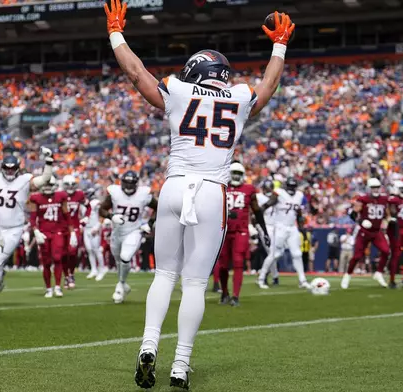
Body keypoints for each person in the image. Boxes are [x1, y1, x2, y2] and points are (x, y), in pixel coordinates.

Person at [105, 0, 295, 387]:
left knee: (163, 274)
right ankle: (180, 365)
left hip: (175, 185)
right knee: (194, 282)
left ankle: (148, 344)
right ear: (223, 75)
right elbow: (269, 86)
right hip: (212, 190)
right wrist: (279, 46)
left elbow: (135, 72)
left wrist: (116, 33)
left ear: (193, 72)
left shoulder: (177, 91)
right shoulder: (240, 98)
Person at [0, 150, 54, 308]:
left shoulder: (25, 180)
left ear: (17, 169)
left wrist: (48, 162)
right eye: (7, 169)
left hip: (13, 229)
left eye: (12, 168)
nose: (9, 172)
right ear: (2, 168)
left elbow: (45, 179)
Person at [99, 170, 157, 304]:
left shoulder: (143, 194)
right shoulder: (115, 193)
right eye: (127, 183)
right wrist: (111, 216)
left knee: (125, 258)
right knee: (119, 261)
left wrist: (149, 223)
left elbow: (157, 207)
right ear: (122, 182)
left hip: (134, 231)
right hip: (117, 232)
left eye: (132, 184)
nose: (129, 186)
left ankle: (120, 285)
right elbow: (102, 209)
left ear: (136, 184)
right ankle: (123, 285)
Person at [217, 162, 269, 306]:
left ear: (243, 176)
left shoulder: (249, 189)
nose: (235, 176)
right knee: (222, 265)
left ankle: (235, 296)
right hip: (223, 230)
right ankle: (225, 293)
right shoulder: (221, 186)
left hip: (241, 231)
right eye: (234, 173)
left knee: (239, 262)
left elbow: (257, 211)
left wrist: (264, 231)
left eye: (239, 174)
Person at [257, 177, 311, 289]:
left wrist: (302, 230)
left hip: (292, 227)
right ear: (286, 186)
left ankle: (302, 280)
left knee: (297, 254)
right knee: (275, 254)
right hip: (280, 227)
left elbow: (299, 214)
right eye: (290, 186)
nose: (291, 188)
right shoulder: (279, 193)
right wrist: (258, 216)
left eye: (293, 186)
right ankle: (261, 278)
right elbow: (267, 204)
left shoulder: (299, 195)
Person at [340, 178, 390, 289]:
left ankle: (379, 273)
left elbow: (386, 214)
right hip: (364, 231)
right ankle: (347, 275)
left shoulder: (383, 199)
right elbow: (352, 214)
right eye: (373, 188)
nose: (375, 190)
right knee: (357, 256)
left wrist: (389, 220)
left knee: (386, 251)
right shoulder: (363, 199)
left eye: (377, 187)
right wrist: (361, 221)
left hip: (377, 231)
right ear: (368, 188)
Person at [28, 176, 72, 298]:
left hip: (57, 231)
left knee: (57, 258)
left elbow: (67, 215)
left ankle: (57, 287)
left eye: (49, 185)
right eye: (45, 185)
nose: (47, 188)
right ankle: (48, 288)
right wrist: (36, 231)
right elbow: (32, 218)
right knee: (46, 262)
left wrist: (72, 232)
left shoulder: (60, 196)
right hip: (43, 233)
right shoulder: (35, 198)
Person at [62, 174, 90, 289]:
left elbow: (88, 206)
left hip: (75, 226)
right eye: (68, 184)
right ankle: (66, 276)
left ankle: (71, 274)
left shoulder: (79, 194)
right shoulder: (59, 195)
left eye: (72, 184)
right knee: (63, 254)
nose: (70, 187)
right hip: (63, 227)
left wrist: (86, 218)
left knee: (73, 252)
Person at [255, 179, 280, 285]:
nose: (268, 190)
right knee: (272, 253)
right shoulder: (259, 197)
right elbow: (258, 211)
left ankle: (275, 276)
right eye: (267, 188)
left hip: (276, 226)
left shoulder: (276, 197)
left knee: (273, 253)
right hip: (265, 227)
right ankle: (262, 276)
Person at [84, 187, 107, 281]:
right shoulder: (84, 204)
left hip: (94, 228)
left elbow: (102, 214)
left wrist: (97, 226)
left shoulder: (96, 203)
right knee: (89, 249)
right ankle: (94, 269)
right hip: (86, 228)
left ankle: (102, 269)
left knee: (96, 250)